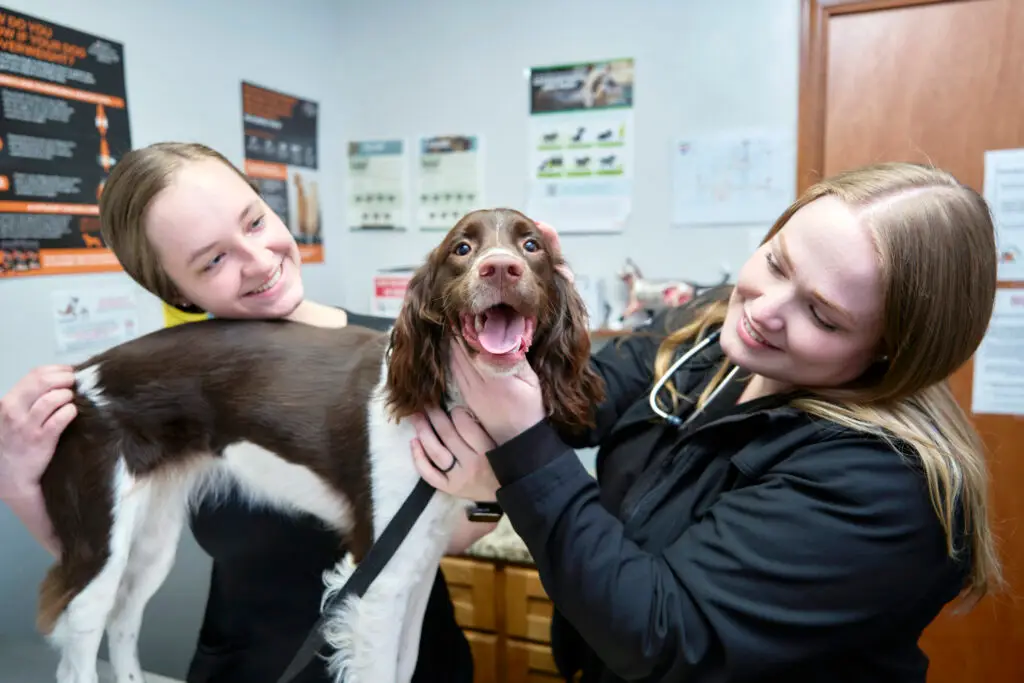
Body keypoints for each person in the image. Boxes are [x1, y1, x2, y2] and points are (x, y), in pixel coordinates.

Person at [408, 161, 1005, 682]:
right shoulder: (709, 333)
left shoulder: (887, 487)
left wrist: (521, 452)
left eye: (822, 315)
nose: (763, 309)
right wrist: (534, 322)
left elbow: (664, 633)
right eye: (776, 262)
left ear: (890, 354)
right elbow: (583, 400)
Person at [0, 142, 489, 683]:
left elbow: (453, 531)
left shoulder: (405, 352)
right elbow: (99, 556)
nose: (258, 261)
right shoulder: (168, 386)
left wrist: (491, 483)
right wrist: (17, 479)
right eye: (213, 260)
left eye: (254, 222)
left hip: (409, 659)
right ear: (176, 292)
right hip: (247, 666)